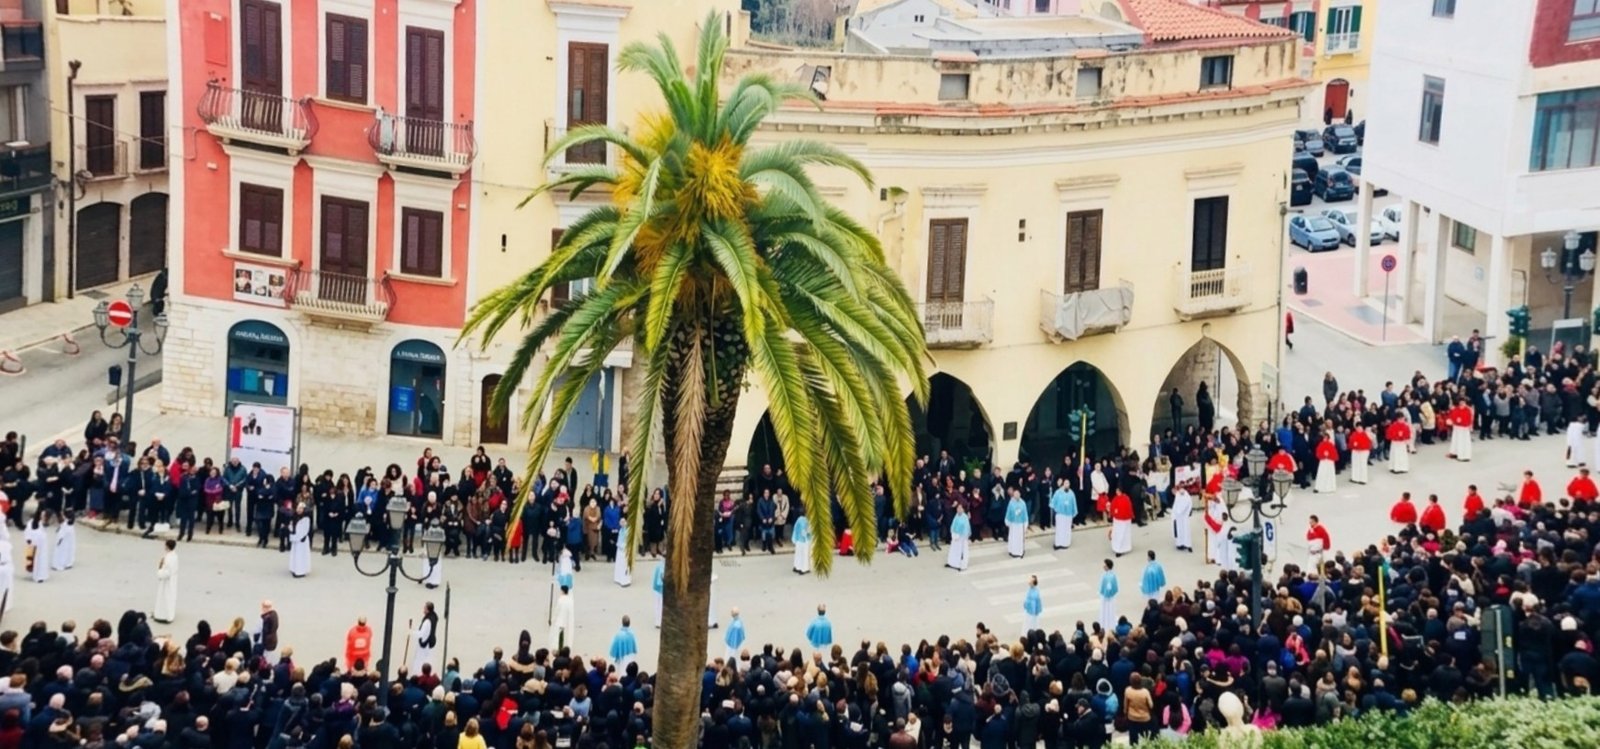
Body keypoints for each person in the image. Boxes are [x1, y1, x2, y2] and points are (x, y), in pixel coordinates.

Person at [154, 539, 178, 623]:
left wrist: (160, 570)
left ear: (167, 546)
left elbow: (167, 572)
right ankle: (169, 615)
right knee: (170, 597)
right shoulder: (174, 556)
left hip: (166, 581)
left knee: (165, 598)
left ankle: (164, 616)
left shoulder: (168, 558)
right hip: (172, 580)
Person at [1050, 479, 1076, 549]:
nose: (1066, 484)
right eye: (1065, 483)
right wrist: (1055, 508)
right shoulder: (1058, 492)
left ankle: (1065, 544)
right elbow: (1053, 501)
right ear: (1063, 484)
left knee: (1067, 529)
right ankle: (1058, 543)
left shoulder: (1071, 493)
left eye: (1068, 483)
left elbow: (1074, 504)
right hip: (1060, 514)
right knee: (1059, 529)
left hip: (1068, 514)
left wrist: (1073, 513)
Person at [413, 601, 438, 672]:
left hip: (425, 643)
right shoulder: (433, 617)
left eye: (424, 608)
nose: (423, 609)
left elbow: (422, 633)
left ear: (427, 610)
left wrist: (412, 632)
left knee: (420, 660)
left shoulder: (427, 621)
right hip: (430, 641)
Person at [23, 514, 49, 583]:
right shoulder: (31, 524)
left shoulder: (40, 524)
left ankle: (39, 575)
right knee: (34, 560)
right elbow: (28, 534)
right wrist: (29, 541)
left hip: (40, 547)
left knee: (39, 561)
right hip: (35, 545)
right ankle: (36, 574)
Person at [288, 504, 311, 578]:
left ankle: (300, 571)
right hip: (295, 539)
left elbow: (305, 530)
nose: (299, 510)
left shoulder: (306, 518)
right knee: (295, 555)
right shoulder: (294, 517)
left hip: (301, 541)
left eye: (301, 508)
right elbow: (291, 526)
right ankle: (294, 569)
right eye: (298, 508)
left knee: (301, 556)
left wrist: (299, 537)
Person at [946, 504, 971, 571]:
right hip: (955, 537)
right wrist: (953, 533)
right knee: (953, 550)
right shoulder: (956, 515)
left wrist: (961, 536)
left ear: (963, 509)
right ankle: (951, 563)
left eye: (960, 508)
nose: (959, 509)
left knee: (962, 552)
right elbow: (953, 525)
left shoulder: (965, 517)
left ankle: (962, 565)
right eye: (958, 508)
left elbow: (966, 529)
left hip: (962, 538)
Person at [1004, 489, 1028, 559]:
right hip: (1013, 524)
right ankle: (1012, 551)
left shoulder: (1023, 503)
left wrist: (1025, 523)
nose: (1017, 496)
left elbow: (1025, 514)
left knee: (1019, 539)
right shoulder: (1011, 503)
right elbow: (1008, 513)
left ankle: (1020, 552)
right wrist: (1007, 521)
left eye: (1018, 494)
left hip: (1020, 524)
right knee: (1013, 538)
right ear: (1013, 495)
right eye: (1015, 494)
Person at [1109, 491, 1134, 557]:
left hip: (1122, 521)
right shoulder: (1118, 498)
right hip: (1119, 521)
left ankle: (1120, 549)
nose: (1117, 492)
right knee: (1119, 534)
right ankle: (1119, 548)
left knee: (1121, 535)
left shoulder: (1124, 499)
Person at [1171, 483, 1193, 552]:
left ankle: (1184, 544)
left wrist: (1177, 513)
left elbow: (1180, 508)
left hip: (1181, 517)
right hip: (1180, 518)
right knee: (1181, 531)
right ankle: (1181, 544)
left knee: (1183, 531)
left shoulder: (1184, 496)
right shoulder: (1180, 495)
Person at [1098, 559, 1119, 631]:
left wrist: (1105, 596)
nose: (1103, 566)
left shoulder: (1108, 577)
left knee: (1107, 610)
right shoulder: (1112, 574)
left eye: (1104, 565)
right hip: (1111, 596)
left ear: (1107, 566)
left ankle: (1107, 624)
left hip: (1107, 597)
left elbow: (1108, 588)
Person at [612, 520, 632, 586]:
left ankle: (625, 581)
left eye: (623, 522)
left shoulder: (629, 530)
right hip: (619, 548)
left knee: (625, 565)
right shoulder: (621, 530)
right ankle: (618, 578)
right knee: (619, 564)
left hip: (625, 549)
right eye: (621, 522)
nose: (622, 523)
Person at [651, 561, 665, 629]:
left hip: (657, 588)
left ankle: (657, 621)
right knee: (660, 605)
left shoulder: (658, 566)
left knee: (657, 605)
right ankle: (658, 621)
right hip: (660, 588)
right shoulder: (661, 567)